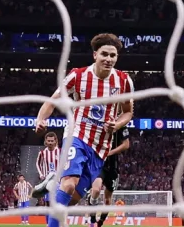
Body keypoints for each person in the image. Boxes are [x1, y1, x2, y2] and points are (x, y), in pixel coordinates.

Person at [35, 33, 135, 227]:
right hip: (77, 135)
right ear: (95, 55)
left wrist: (118, 124)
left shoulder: (124, 81)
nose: (109, 59)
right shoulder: (78, 75)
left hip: (100, 148)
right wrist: (41, 119)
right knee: (69, 183)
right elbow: (53, 100)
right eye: (104, 54)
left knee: (71, 199)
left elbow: (128, 112)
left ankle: (50, 183)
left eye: (113, 55)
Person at [96, 125, 132, 227]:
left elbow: (126, 145)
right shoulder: (99, 122)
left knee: (107, 199)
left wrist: (110, 153)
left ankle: (101, 221)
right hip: (99, 164)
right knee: (96, 188)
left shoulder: (121, 126)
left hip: (113, 168)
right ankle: (92, 212)